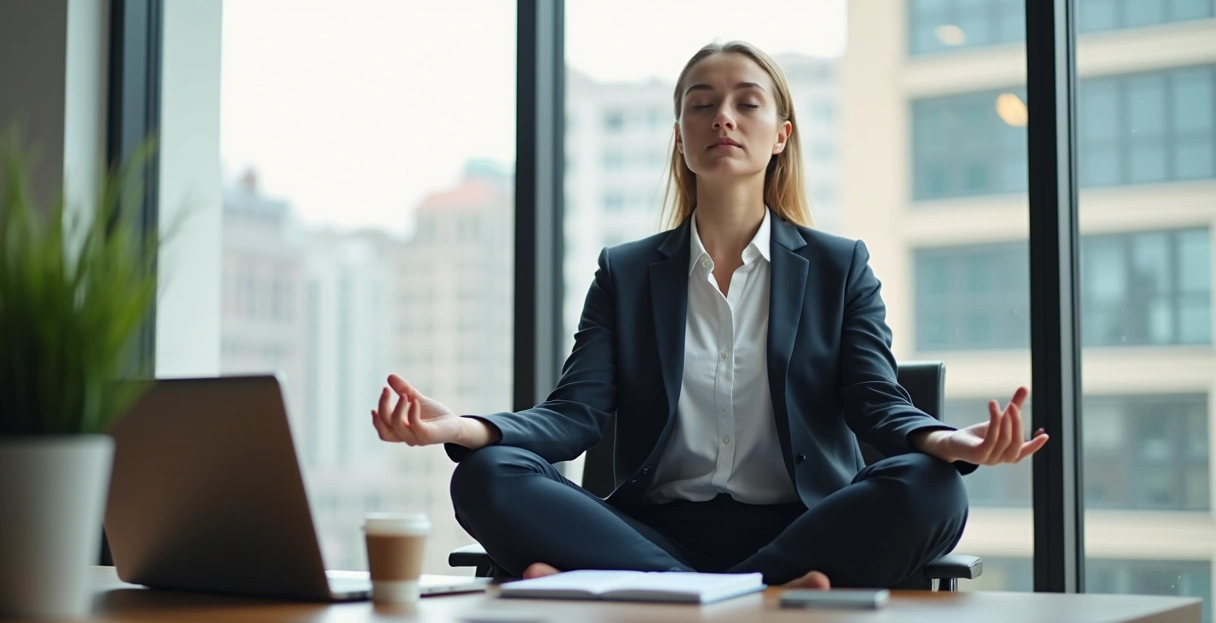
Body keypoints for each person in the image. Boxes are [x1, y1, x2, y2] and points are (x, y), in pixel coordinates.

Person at [371, 40, 1048, 590]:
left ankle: (654, 591)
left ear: (781, 135)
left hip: (802, 526)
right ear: (679, 137)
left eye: (745, 103)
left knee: (933, 491)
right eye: (702, 105)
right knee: (487, 474)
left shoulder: (841, 267)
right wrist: (456, 426)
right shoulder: (627, 272)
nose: (722, 116)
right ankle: (757, 593)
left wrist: (949, 444)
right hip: (648, 530)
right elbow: (572, 415)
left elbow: (878, 404)